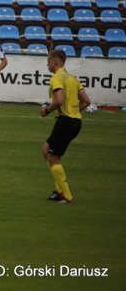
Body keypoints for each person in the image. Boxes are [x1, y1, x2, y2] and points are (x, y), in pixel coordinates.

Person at [40, 49, 92, 204]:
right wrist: (74, 111)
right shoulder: (72, 78)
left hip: (65, 122)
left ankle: (67, 196)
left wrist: (47, 111)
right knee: (46, 150)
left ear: (55, 62)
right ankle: (58, 190)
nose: (47, 64)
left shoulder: (56, 78)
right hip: (74, 121)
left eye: (49, 61)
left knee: (54, 158)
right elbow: (86, 102)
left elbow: (59, 100)